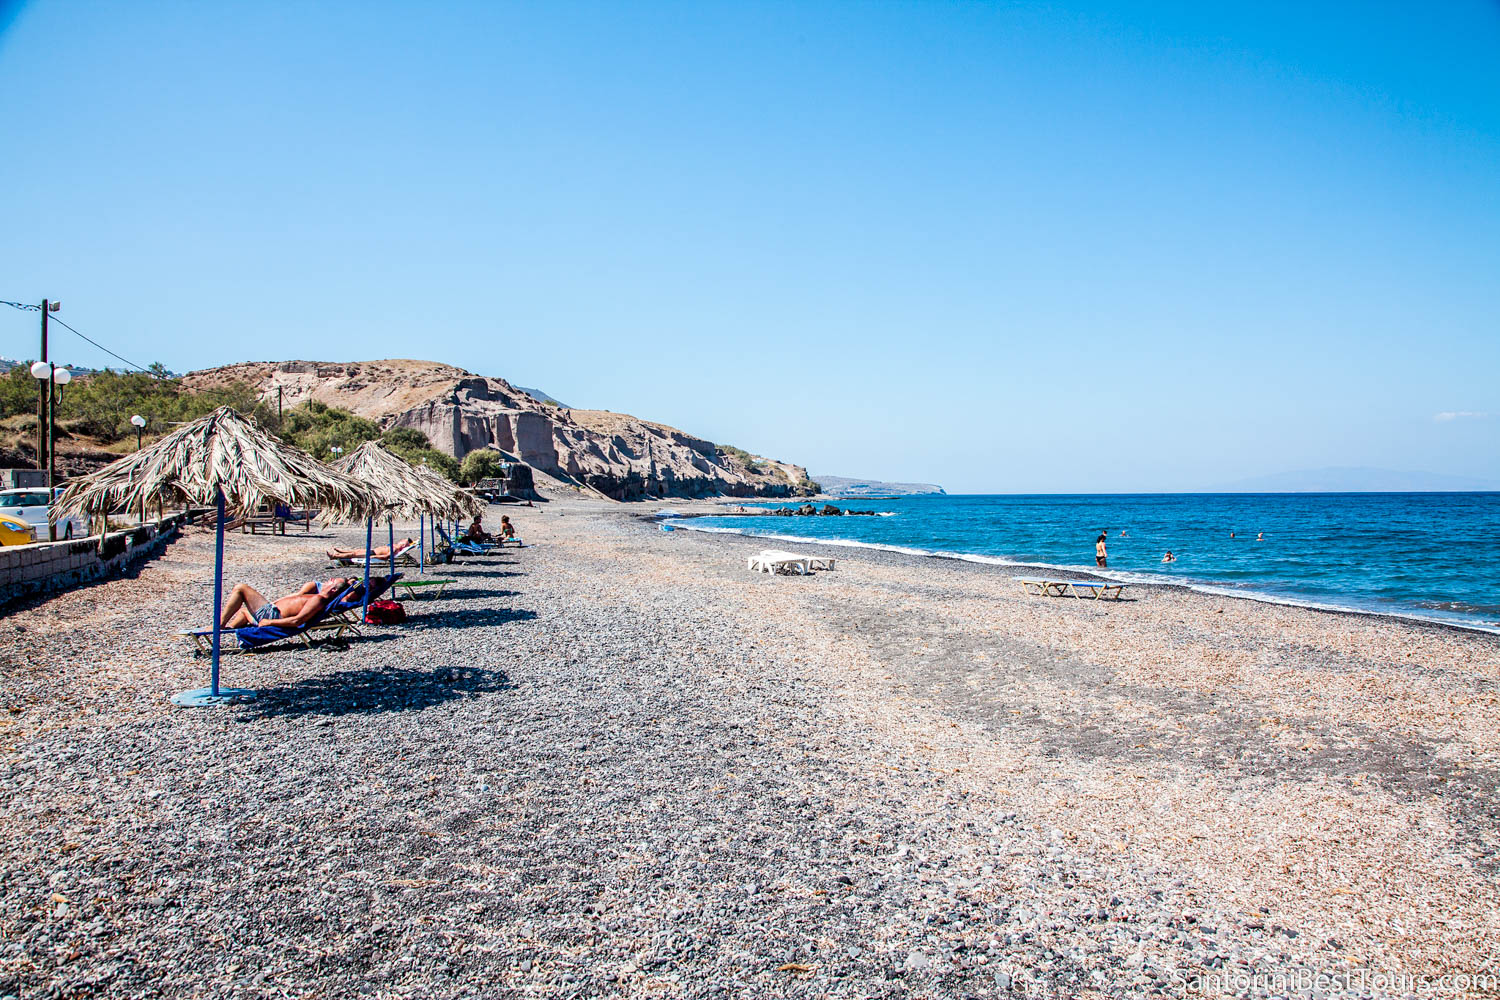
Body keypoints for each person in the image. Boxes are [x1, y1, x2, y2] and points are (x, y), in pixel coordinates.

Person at [219, 577, 349, 629]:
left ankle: (219, 625)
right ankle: (229, 629)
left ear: (333, 590)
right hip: (272, 611)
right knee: (244, 611)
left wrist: (269, 622)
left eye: (332, 580)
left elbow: (297, 621)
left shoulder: (319, 599)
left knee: (241, 588)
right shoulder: (318, 597)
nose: (329, 579)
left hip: (272, 615)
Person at [326, 538, 414, 561]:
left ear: (403, 545)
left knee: (353, 555)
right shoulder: (394, 545)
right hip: (372, 551)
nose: (400, 541)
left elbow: (386, 557)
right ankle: (341, 551)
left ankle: (334, 556)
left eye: (402, 541)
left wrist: (374, 557)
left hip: (372, 554)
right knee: (356, 551)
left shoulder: (395, 549)